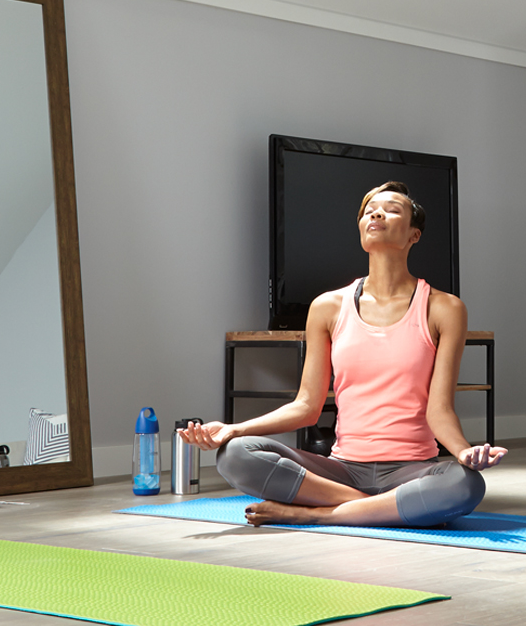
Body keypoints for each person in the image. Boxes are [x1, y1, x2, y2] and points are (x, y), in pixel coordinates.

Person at [179, 180, 506, 527]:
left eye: (393, 209)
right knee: (236, 455)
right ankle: (383, 509)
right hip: (342, 471)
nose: (377, 213)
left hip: (411, 469)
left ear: (414, 235)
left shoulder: (444, 308)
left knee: (465, 485)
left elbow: (439, 410)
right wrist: (232, 429)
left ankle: (314, 515)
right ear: (362, 228)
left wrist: (463, 452)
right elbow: (306, 407)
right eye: (368, 211)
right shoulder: (327, 307)